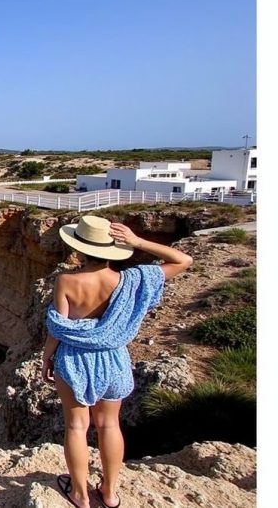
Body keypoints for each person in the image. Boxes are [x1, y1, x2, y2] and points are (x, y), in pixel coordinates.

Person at [42, 215, 192, 508]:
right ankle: (109, 494)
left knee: (76, 427)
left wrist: (47, 357)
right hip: (114, 360)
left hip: (74, 360)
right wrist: (138, 242)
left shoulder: (67, 281)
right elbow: (182, 260)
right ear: (111, 249)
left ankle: (80, 495)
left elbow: (58, 328)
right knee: (109, 424)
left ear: (79, 249)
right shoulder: (133, 280)